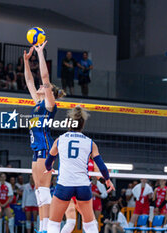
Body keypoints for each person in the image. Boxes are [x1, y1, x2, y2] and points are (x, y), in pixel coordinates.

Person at [45, 106, 115, 233]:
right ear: (82, 124)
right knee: (90, 224)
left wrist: (49, 168)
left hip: (65, 185)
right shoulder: (90, 142)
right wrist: (108, 180)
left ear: (68, 123)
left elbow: (48, 161)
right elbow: (102, 166)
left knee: (54, 224)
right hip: (83, 186)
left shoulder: (60, 140)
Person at [23, 42, 66, 233]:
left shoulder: (49, 105)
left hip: (45, 150)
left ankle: (50, 228)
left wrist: (40, 54)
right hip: (35, 151)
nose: (40, 86)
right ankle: (43, 227)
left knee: (45, 190)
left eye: (44, 87)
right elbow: (30, 81)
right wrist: (25, 61)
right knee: (39, 191)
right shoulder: (37, 103)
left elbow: (44, 77)